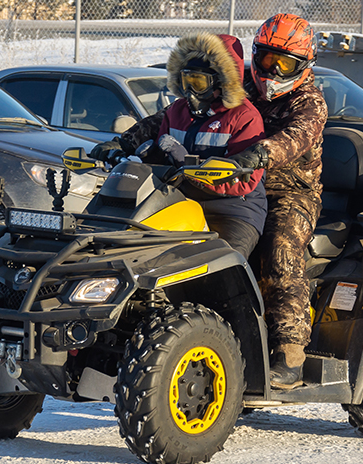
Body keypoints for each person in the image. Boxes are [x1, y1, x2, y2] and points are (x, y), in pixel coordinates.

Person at [101, 14, 328, 390]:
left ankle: (289, 349)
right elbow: (167, 117)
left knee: (279, 248)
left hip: (290, 191)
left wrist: (259, 153)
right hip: (219, 183)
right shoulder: (245, 89)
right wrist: (125, 141)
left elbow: (295, 138)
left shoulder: (309, 102)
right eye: (267, 59)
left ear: (304, 66)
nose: (273, 70)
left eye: (284, 64)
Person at [90, 32, 267, 261]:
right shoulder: (177, 111)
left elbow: (245, 181)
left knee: (224, 265)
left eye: (198, 82)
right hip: (179, 201)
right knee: (139, 254)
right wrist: (148, 156)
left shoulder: (244, 116)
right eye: (186, 81)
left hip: (232, 210)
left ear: (221, 81)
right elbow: (163, 160)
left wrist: (189, 163)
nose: (191, 91)